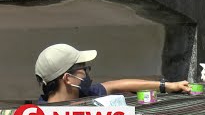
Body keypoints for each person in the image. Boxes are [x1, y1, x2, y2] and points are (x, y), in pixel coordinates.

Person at [35, 44, 191, 103]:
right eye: (82, 67)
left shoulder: (84, 94)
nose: (85, 72)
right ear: (68, 78)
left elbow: (117, 85)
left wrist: (167, 86)